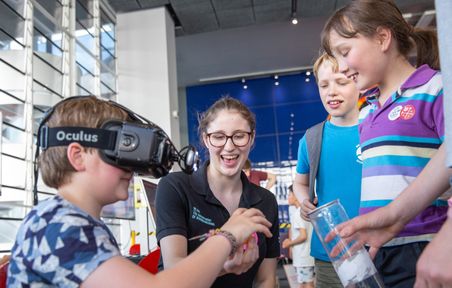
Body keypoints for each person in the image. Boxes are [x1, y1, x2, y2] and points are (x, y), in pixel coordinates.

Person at [7, 96, 273, 288]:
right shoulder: (61, 227)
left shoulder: (70, 222)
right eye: (119, 152)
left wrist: (222, 266)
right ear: (78, 156)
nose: (132, 166)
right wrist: (229, 234)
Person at [322, 1, 452, 287]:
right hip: (378, 246)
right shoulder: (366, 111)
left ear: (382, 38)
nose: (342, 68)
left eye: (345, 52)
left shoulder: (436, 89)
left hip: (423, 241)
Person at [156, 96, 280, 288]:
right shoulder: (175, 187)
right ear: (206, 139)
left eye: (239, 136)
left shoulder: (265, 201)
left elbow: (265, 279)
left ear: (252, 138)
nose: (229, 147)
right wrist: (223, 266)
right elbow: (174, 274)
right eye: (219, 137)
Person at [293, 52, 362, 288]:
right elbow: (300, 182)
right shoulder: (311, 138)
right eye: (324, 85)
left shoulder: (375, 128)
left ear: (358, 81)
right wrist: (304, 201)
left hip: (378, 245)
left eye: (341, 82)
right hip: (330, 251)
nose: (331, 91)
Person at [282, 186, 315, 288]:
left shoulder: (298, 213)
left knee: (307, 284)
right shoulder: (306, 211)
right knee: (304, 283)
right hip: (307, 256)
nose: (288, 197)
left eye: (290, 194)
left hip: (303, 257)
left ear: (296, 195)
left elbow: (303, 236)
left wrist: (289, 243)